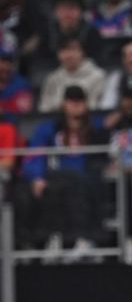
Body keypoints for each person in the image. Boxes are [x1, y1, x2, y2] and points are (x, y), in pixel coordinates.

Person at [15, 87, 108, 258]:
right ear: (63, 104)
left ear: (86, 104)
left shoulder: (96, 126)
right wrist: (36, 177)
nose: (75, 106)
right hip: (57, 177)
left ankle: (83, 239)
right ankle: (47, 240)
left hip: (87, 178)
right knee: (37, 187)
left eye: (79, 101)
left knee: (78, 183)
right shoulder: (49, 128)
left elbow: (107, 149)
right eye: (71, 101)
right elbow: (35, 154)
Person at [38, 37, 106, 113]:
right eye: (64, 50)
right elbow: (44, 108)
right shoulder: (52, 78)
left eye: (73, 50)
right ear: (58, 54)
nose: (69, 55)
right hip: (57, 120)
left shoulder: (98, 76)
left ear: (83, 52)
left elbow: (95, 106)